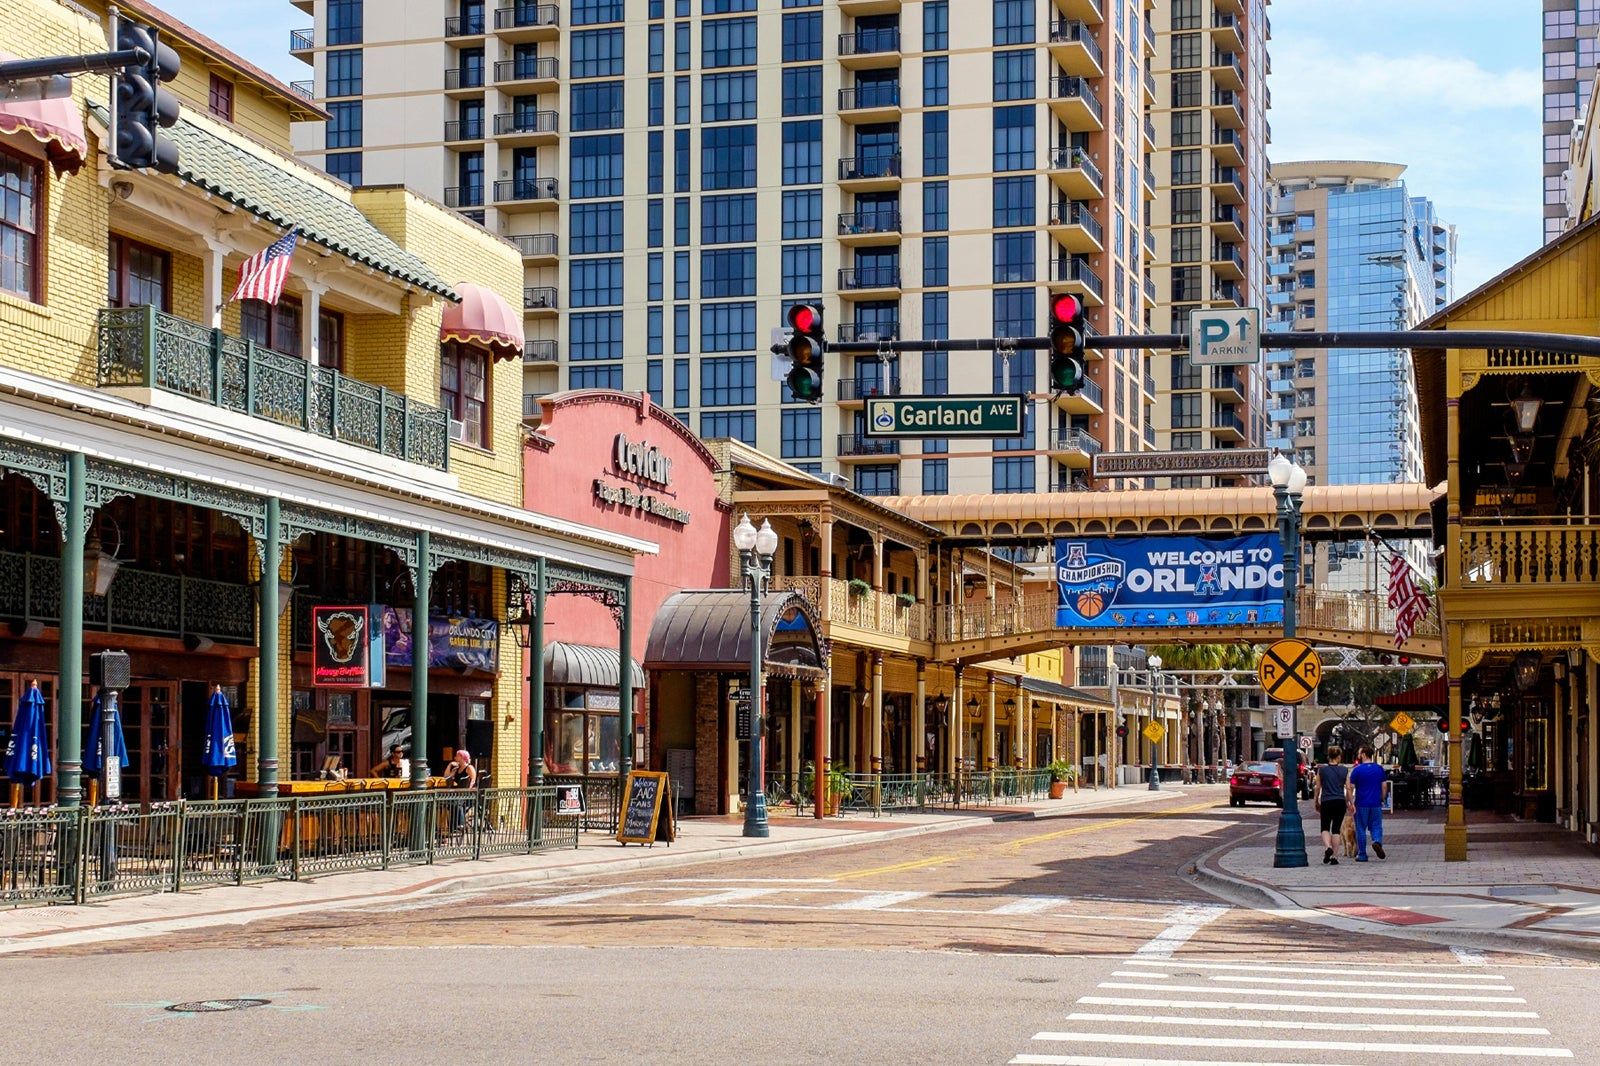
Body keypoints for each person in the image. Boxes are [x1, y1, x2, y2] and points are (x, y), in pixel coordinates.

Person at [1346, 745, 1389, 862]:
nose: (1359, 755)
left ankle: (1362, 854)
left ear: (1364, 754)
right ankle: (1377, 841)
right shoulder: (1379, 769)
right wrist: (1382, 798)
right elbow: (1384, 786)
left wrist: (1350, 801)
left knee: (1360, 829)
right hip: (1376, 803)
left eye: (1360, 753)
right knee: (1376, 825)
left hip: (1361, 803)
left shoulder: (1357, 770)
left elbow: (1350, 787)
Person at [1314, 745, 1349, 866]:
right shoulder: (1344, 770)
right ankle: (1334, 856)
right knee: (1336, 829)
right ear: (1338, 756)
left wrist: (1316, 801)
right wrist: (1350, 802)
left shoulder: (1322, 770)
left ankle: (1328, 846)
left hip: (1326, 801)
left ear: (1329, 756)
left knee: (1324, 827)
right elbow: (1348, 788)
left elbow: (1318, 787)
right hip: (1340, 801)